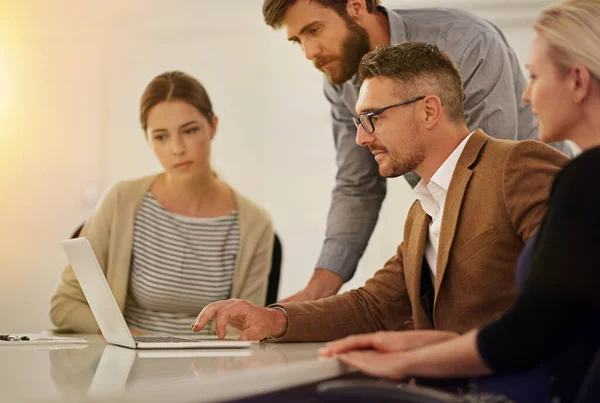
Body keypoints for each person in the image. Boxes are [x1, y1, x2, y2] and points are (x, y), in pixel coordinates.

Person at [191, 43, 569, 343]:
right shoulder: (422, 211)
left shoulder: (516, 165)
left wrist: (426, 352)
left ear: (429, 110)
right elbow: (372, 306)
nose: (361, 137)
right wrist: (273, 318)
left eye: (373, 118)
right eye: (358, 121)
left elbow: (567, 301)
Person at [319, 1, 600, 401]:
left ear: (576, 81)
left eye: (534, 75)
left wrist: (407, 360)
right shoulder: (422, 212)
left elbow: (534, 331)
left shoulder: (570, 176)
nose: (524, 93)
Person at [262, 0, 572, 302]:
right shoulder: (340, 81)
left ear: (356, 6)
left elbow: (487, 178)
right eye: (296, 41)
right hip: (452, 225)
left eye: (314, 29)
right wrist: (314, 294)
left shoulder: (467, 43)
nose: (308, 52)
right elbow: (357, 186)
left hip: (549, 219)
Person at [50, 71, 274, 335]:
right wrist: (128, 336)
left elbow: (246, 329)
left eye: (189, 131)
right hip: (130, 366)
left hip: (211, 370)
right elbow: (64, 305)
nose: (177, 148)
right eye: (161, 137)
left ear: (213, 126)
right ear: (148, 138)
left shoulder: (255, 224)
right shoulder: (121, 201)